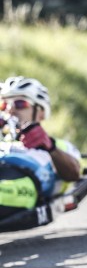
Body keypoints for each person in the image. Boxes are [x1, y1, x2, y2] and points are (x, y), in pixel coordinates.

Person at [0, 76, 81, 218]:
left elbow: (74, 174)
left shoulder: (59, 146)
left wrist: (50, 146)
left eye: (20, 104)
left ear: (41, 112)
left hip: (22, 186)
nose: (10, 110)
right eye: (4, 105)